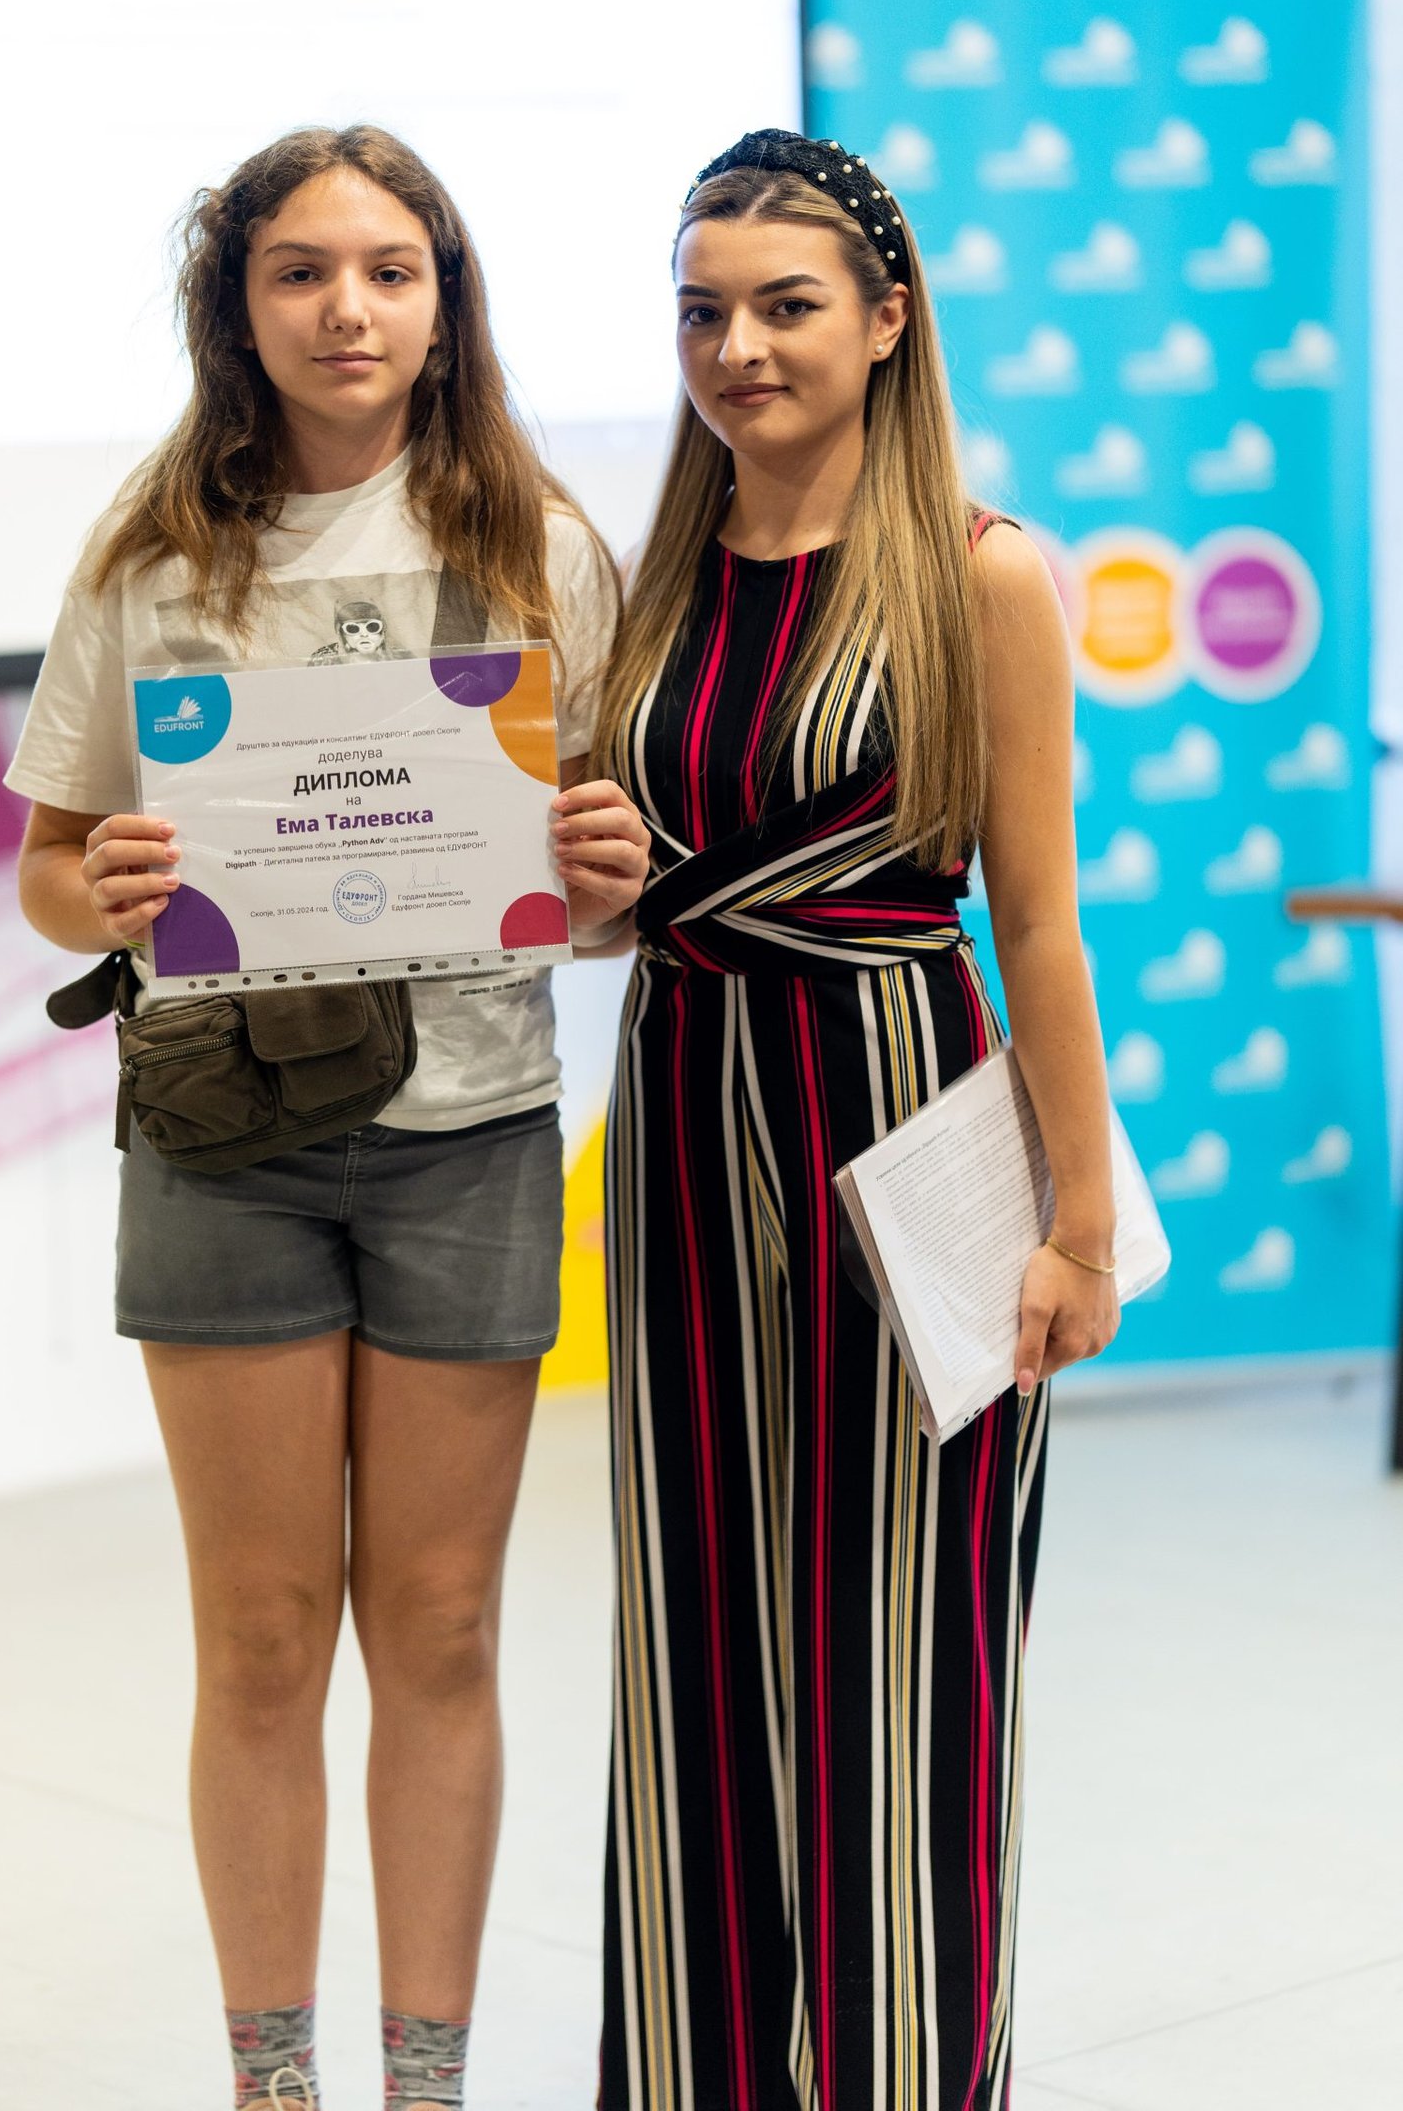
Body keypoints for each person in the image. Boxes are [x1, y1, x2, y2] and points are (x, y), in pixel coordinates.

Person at [7, 125, 649, 2111]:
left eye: (387, 269)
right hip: (225, 1145)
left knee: (440, 1630)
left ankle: (423, 2086)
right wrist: (103, 885)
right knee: (266, 1640)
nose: (344, 309)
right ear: (237, 303)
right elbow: (48, 869)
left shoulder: (539, 547)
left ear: (444, 300)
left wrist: (612, 876)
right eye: (298, 270)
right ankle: (271, 2083)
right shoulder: (147, 551)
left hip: (473, 1139)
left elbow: (598, 894)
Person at [590, 129, 1119, 2111]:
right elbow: (625, 900)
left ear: (887, 321)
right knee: (698, 1645)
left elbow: (1039, 925)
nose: (736, 348)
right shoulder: (651, 580)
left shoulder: (980, 574)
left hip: (901, 1125)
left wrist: (1077, 1223)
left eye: (784, 306)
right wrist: (586, 889)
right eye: (701, 311)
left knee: (904, 1662)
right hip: (680, 1120)